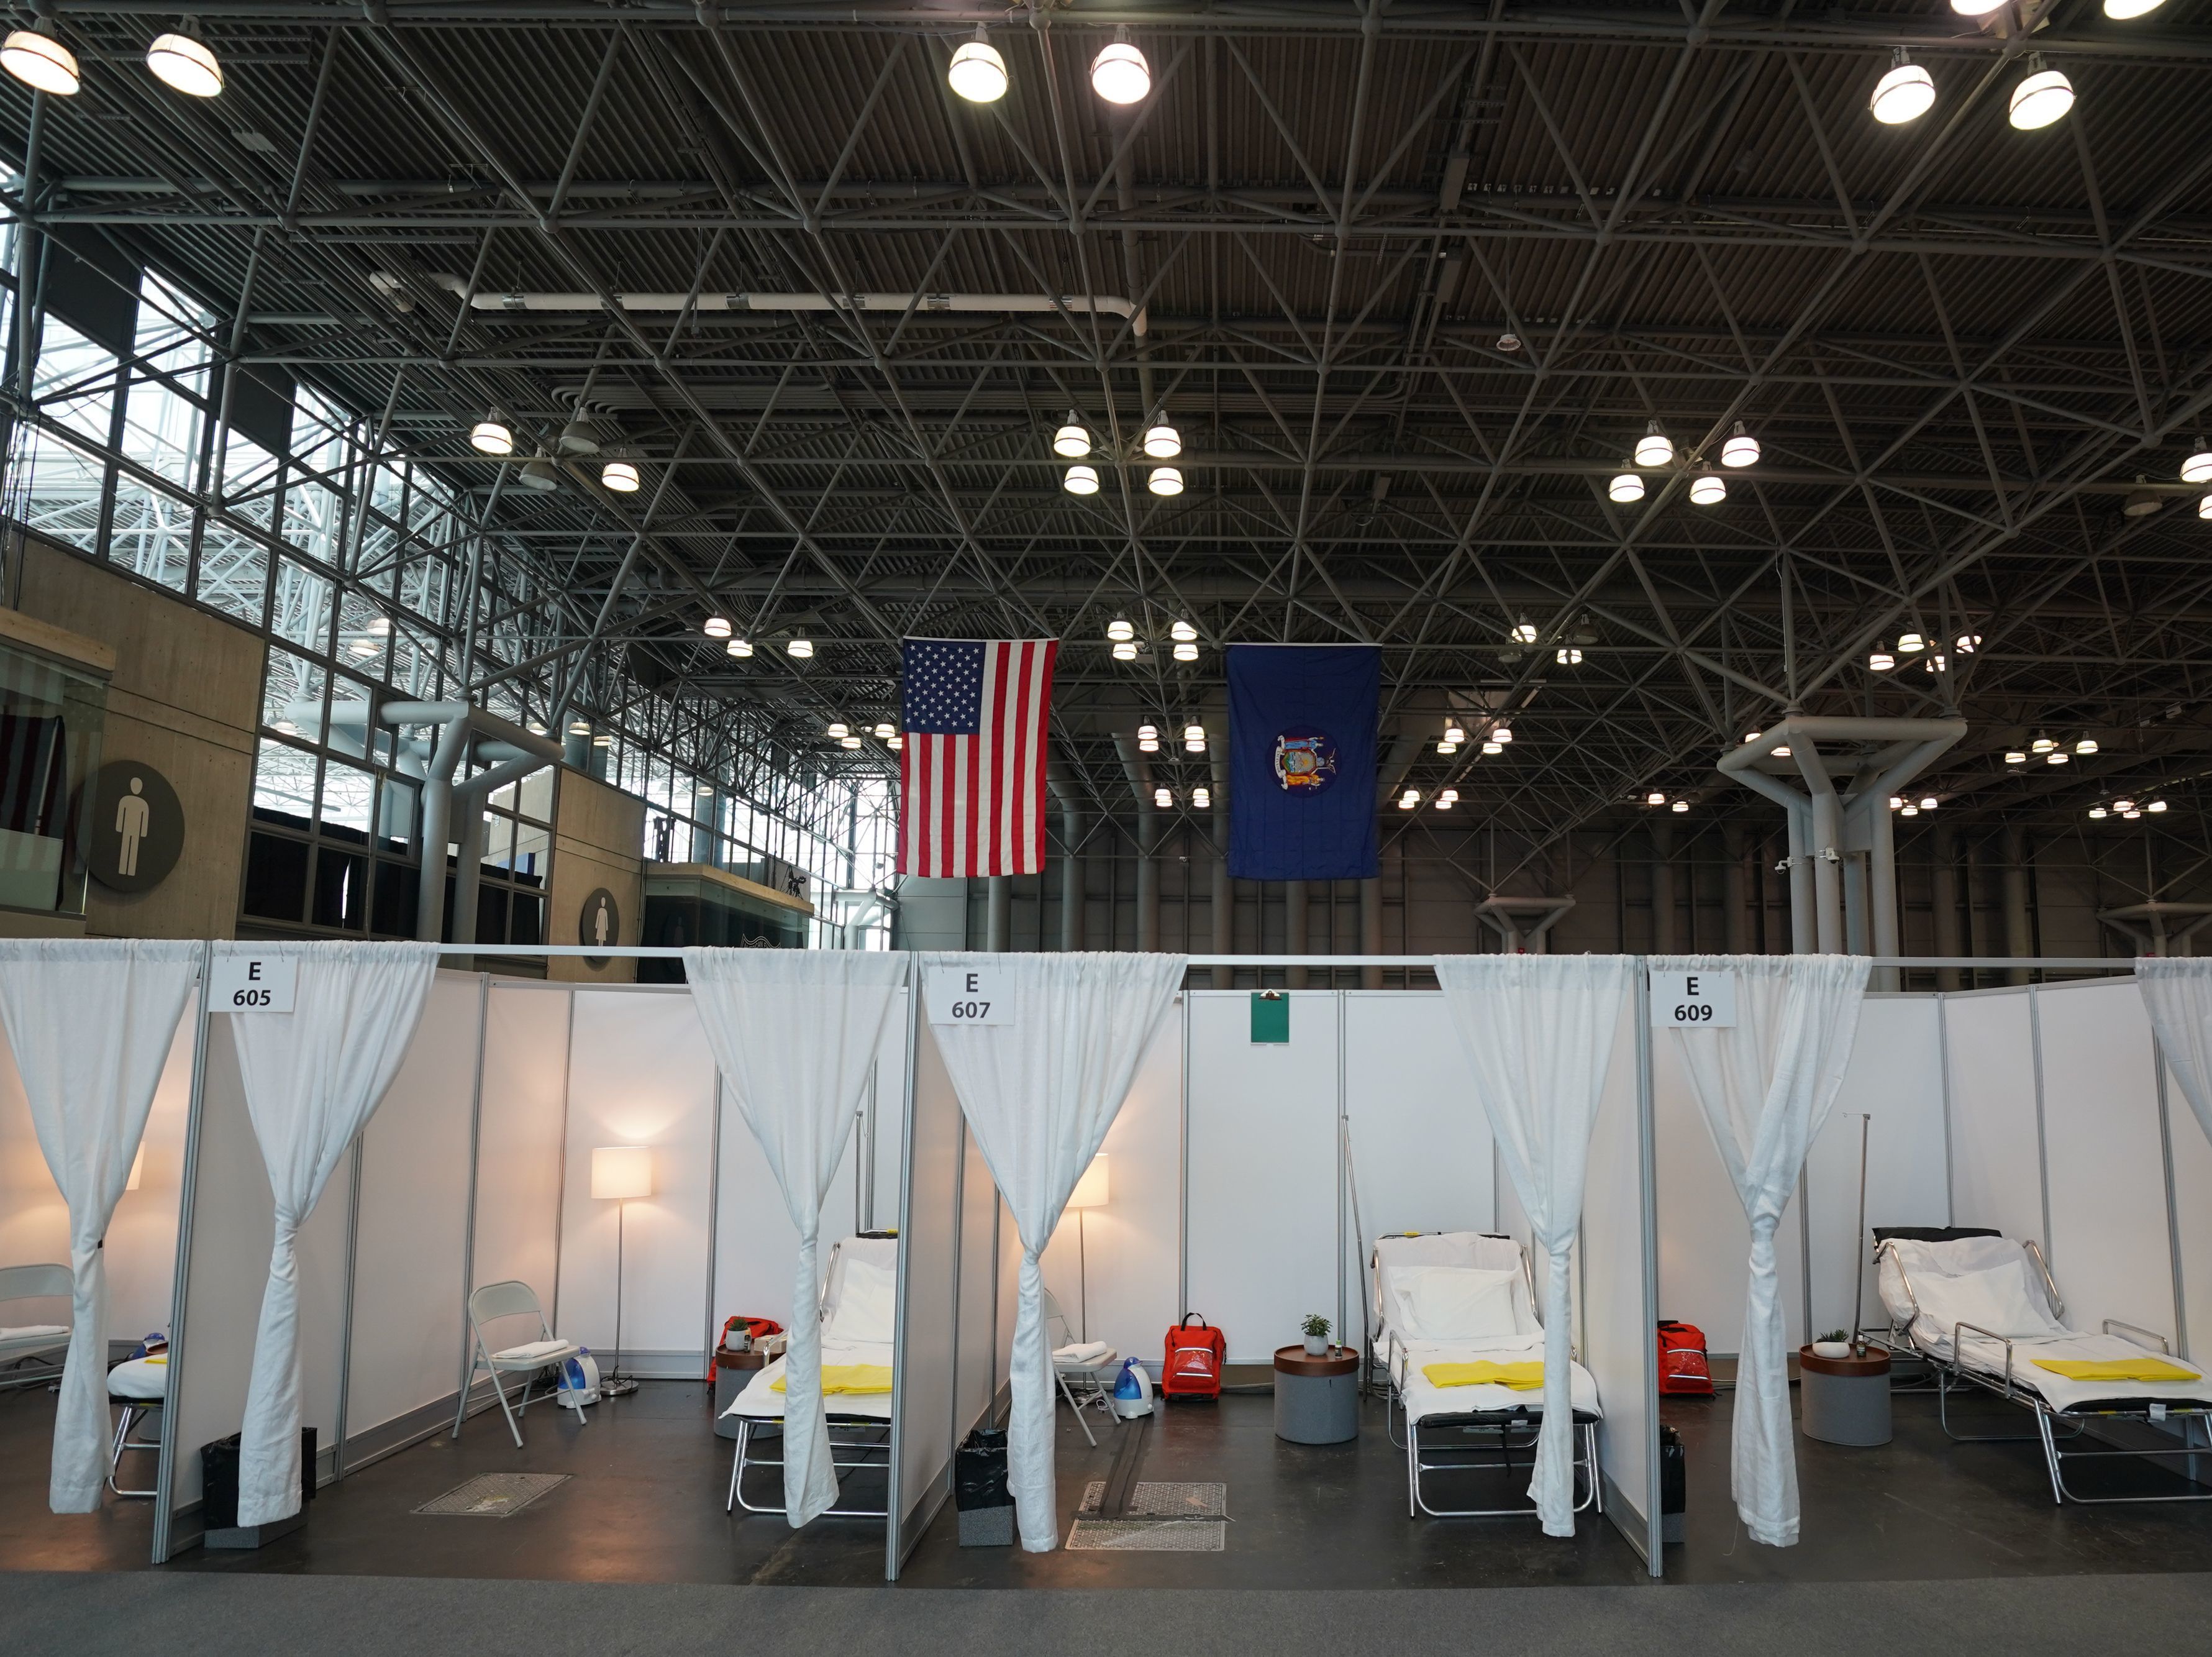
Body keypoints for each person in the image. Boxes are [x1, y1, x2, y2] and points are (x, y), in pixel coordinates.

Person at [114, 777, 151, 878]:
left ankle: (130, 870)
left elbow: (145, 819)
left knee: (133, 848)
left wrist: (143, 832)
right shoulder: (125, 800)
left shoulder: (143, 804)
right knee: (126, 846)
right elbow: (121, 814)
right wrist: (119, 827)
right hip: (128, 828)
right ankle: (123, 868)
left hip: (135, 830)